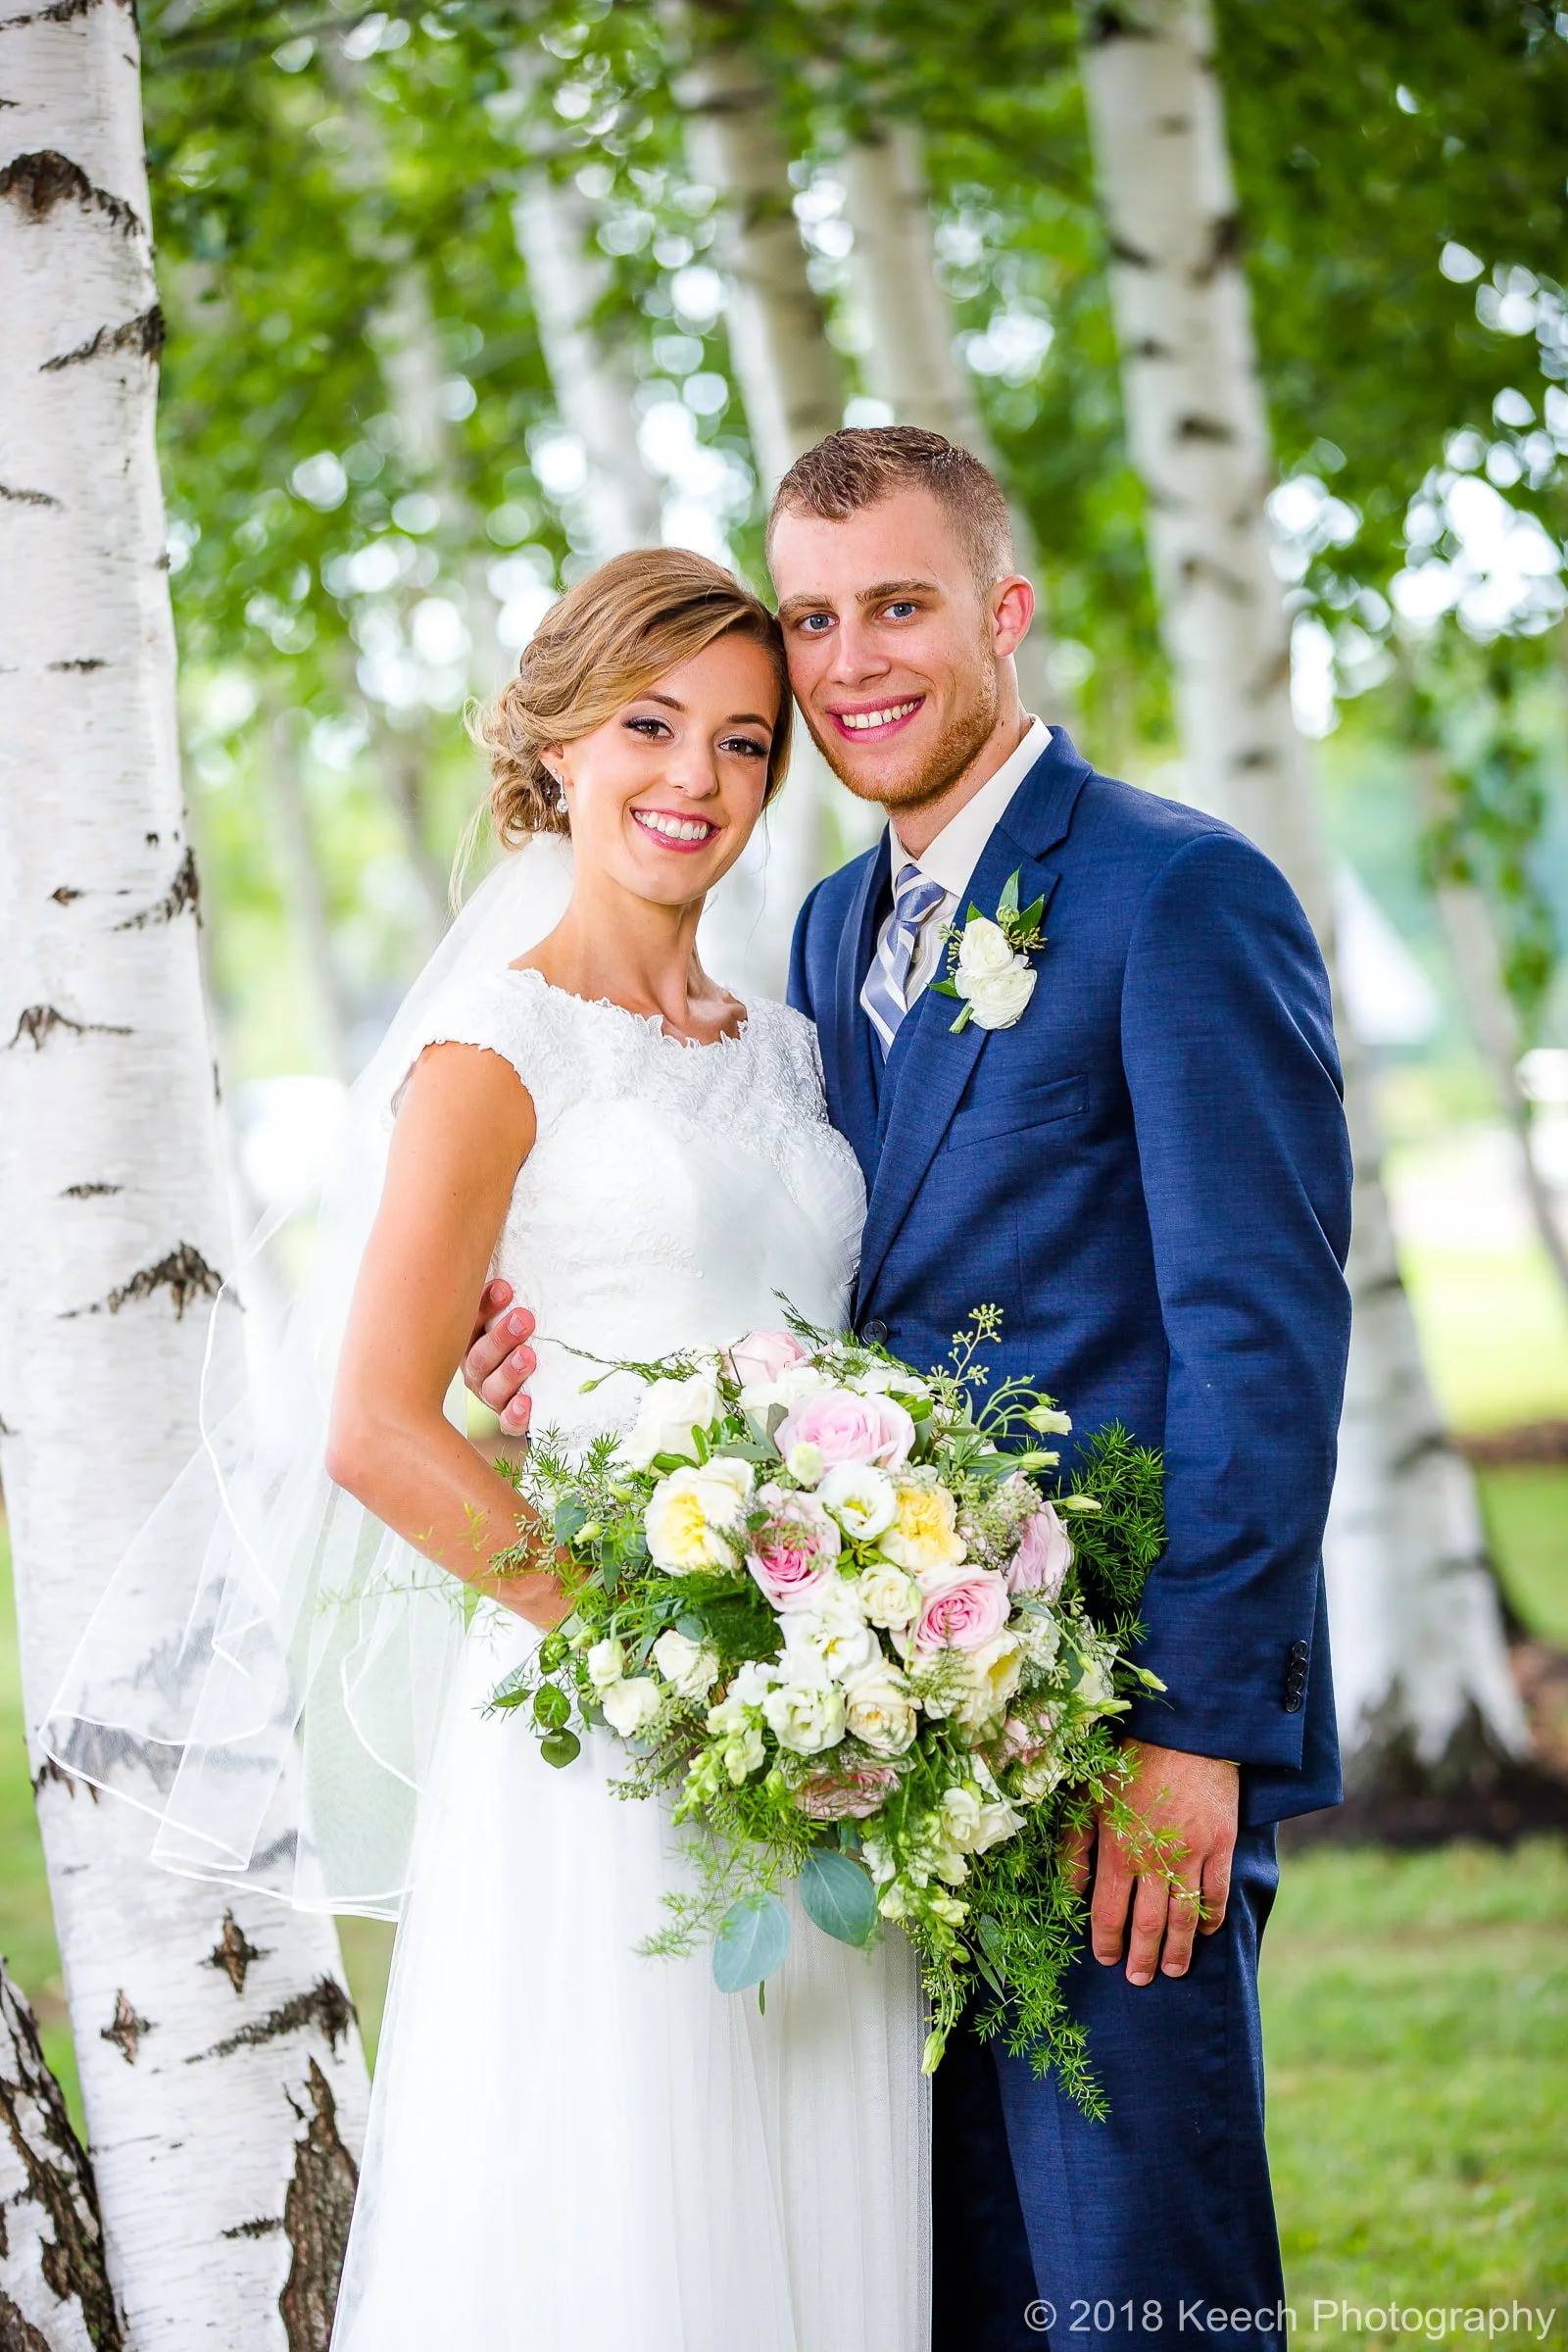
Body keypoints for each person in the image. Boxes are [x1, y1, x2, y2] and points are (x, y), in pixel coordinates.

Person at [471, 428, 1353, 2351]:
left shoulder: (1174, 896)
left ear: (1000, 613)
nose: (851, 658)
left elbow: (1258, 1338)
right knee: (934, 2286)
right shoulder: (822, 929)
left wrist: (1191, 1730)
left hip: (1120, 1726)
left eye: (897, 605)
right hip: (888, 1728)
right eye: (810, 618)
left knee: (1137, 2286)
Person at [45, 549, 927, 2352]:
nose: (696, 779)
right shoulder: (489, 1047)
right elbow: (373, 1428)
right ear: (557, 747)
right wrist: (667, 1666)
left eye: (745, 744)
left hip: (828, 1705)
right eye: (651, 726)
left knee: (818, 2172)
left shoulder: (794, 1049)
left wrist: (848, 1639)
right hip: (615, 1722)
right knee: (628, 2203)